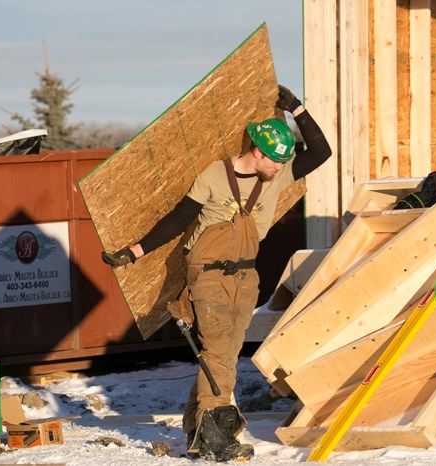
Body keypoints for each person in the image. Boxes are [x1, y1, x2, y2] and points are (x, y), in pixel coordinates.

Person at [101, 85, 332, 462]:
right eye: (274, 160)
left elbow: (321, 152)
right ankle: (214, 438)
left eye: (282, 161)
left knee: (224, 352)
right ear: (256, 151)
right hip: (207, 274)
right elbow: (179, 219)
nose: (279, 167)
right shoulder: (214, 175)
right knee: (220, 351)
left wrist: (297, 109)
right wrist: (134, 251)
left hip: (246, 275)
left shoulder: (279, 175)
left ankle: (196, 426)